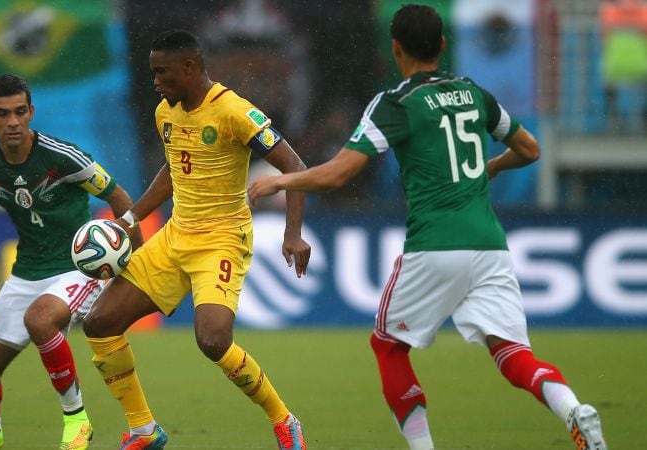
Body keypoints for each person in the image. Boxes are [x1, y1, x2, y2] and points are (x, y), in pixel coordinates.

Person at [248, 5, 608, 450]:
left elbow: (338, 174)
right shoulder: (474, 94)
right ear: (442, 45)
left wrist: (281, 179)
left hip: (434, 245)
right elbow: (530, 148)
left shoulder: (397, 103)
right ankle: (572, 408)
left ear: (395, 48)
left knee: (388, 346)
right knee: (512, 353)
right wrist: (490, 168)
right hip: (490, 246)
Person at [81, 29, 311, 450]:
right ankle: (143, 429)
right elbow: (174, 170)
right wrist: (131, 217)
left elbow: (293, 164)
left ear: (190, 68)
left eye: (161, 72)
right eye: (153, 72)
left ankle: (284, 420)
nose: (155, 81)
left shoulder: (234, 112)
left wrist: (292, 233)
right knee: (99, 323)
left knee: (213, 340)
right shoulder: (165, 112)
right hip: (175, 236)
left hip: (222, 239)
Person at [0, 74, 135, 450]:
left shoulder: (64, 157)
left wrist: (130, 257)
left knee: (40, 320)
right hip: (27, 274)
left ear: (31, 112)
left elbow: (121, 200)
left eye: (20, 112)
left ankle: (77, 419)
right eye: (3, 113)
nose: (13, 122)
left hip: (79, 267)